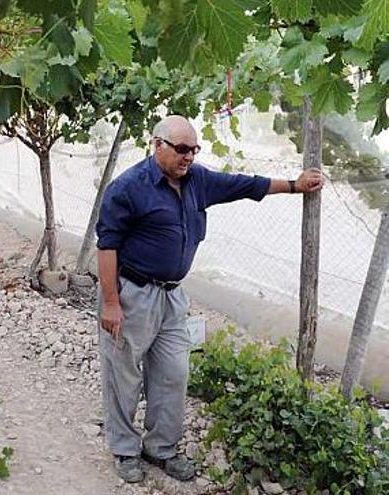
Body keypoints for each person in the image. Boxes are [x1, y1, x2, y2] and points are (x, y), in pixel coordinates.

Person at [95, 115, 322, 483]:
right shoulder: (128, 188)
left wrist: (295, 186)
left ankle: (160, 449)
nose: (189, 157)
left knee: (173, 373)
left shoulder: (198, 180)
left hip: (171, 298)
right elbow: (107, 247)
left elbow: (244, 184)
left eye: (194, 150)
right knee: (123, 374)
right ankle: (124, 450)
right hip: (132, 293)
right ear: (158, 145)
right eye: (182, 149)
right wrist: (110, 302)